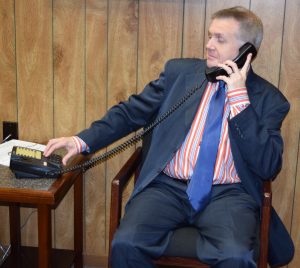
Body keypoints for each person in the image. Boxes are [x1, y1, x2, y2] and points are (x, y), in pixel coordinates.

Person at [44, 6, 294, 268]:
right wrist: (81, 140)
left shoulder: (270, 101)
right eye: (209, 36)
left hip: (229, 195)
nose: (208, 45)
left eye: (220, 39)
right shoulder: (179, 74)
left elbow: (268, 166)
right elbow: (131, 112)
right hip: (167, 188)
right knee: (126, 243)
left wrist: (240, 100)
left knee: (237, 256)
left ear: (247, 51)